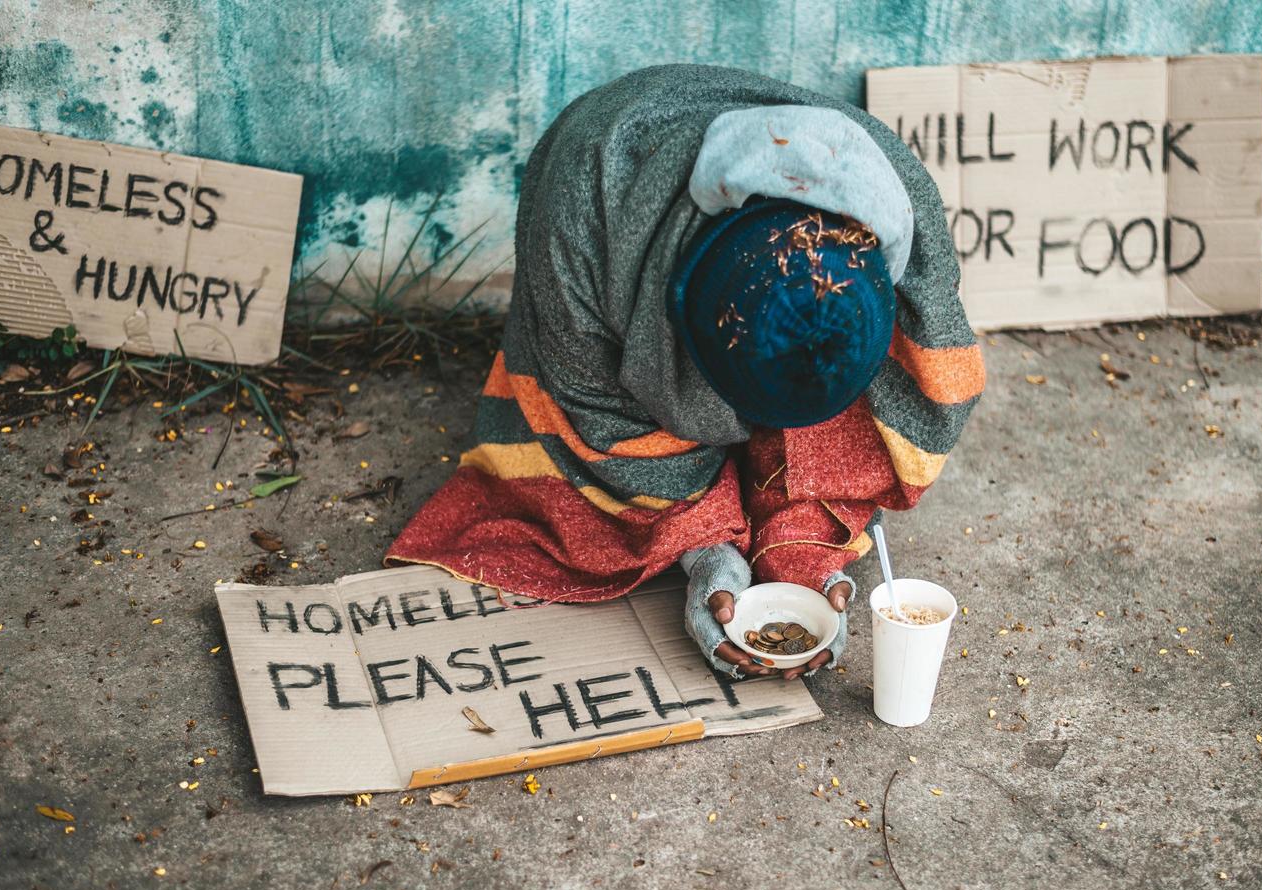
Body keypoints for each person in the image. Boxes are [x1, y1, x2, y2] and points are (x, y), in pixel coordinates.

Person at [387, 64, 984, 682]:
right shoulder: (583, 209)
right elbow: (595, 408)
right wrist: (703, 544)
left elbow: (921, 390)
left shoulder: (903, 206)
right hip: (607, 204)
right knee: (575, 471)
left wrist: (803, 544)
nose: (738, 427)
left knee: (859, 398)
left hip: (791, 330)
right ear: (674, 303)